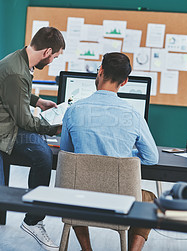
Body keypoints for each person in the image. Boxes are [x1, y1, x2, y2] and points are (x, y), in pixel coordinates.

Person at [0, 27, 65, 251]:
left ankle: (33, 219)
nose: (52, 62)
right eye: (54, 57)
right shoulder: (16, 70)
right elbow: (25, 121)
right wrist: (54, 128)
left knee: (43, 155)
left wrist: (37, 101)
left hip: (5, 124)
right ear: (47, 51)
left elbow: (13, 92)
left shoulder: (22, 60)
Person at [60, 52, 159, 251]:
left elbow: (67, 153)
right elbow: (151, 158)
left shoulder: (74, 110)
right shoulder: (133, 114)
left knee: (74, 187)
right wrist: (123, 158)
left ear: (101, 72)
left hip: (80, 199)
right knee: (149, 201)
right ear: (125, 82)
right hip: (121, 199)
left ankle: (86, 249)